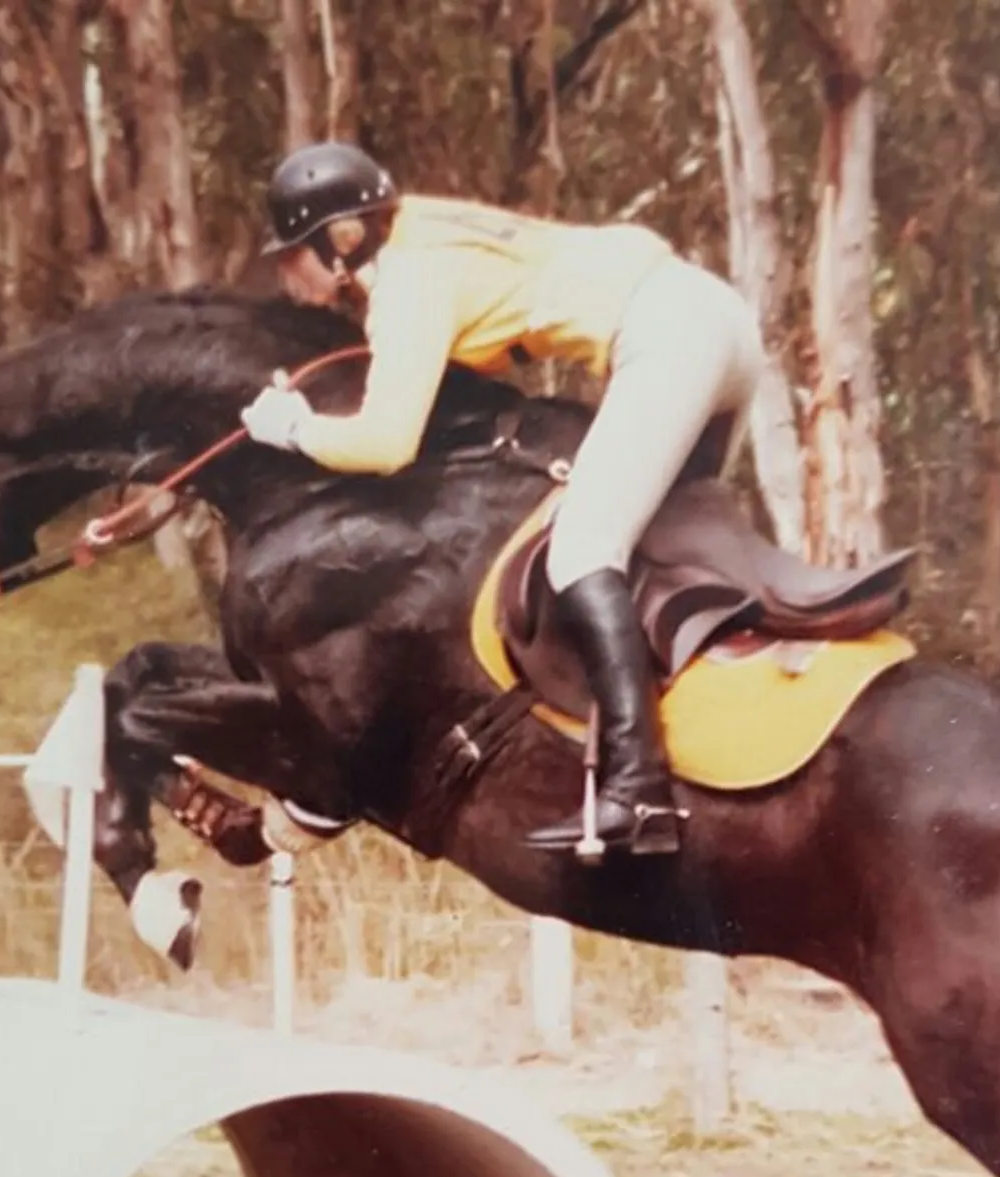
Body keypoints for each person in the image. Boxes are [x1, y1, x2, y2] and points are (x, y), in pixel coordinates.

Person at [240, 141, 763, 860]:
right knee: (672, 544)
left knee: (583, 548)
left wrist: (293, 428)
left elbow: (387, 443)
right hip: (718, 321)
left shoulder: (405, 282)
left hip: (671, 336)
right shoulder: (425, 228)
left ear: (344, 239)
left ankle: (638, 787)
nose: (283, 269)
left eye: (293, 250)